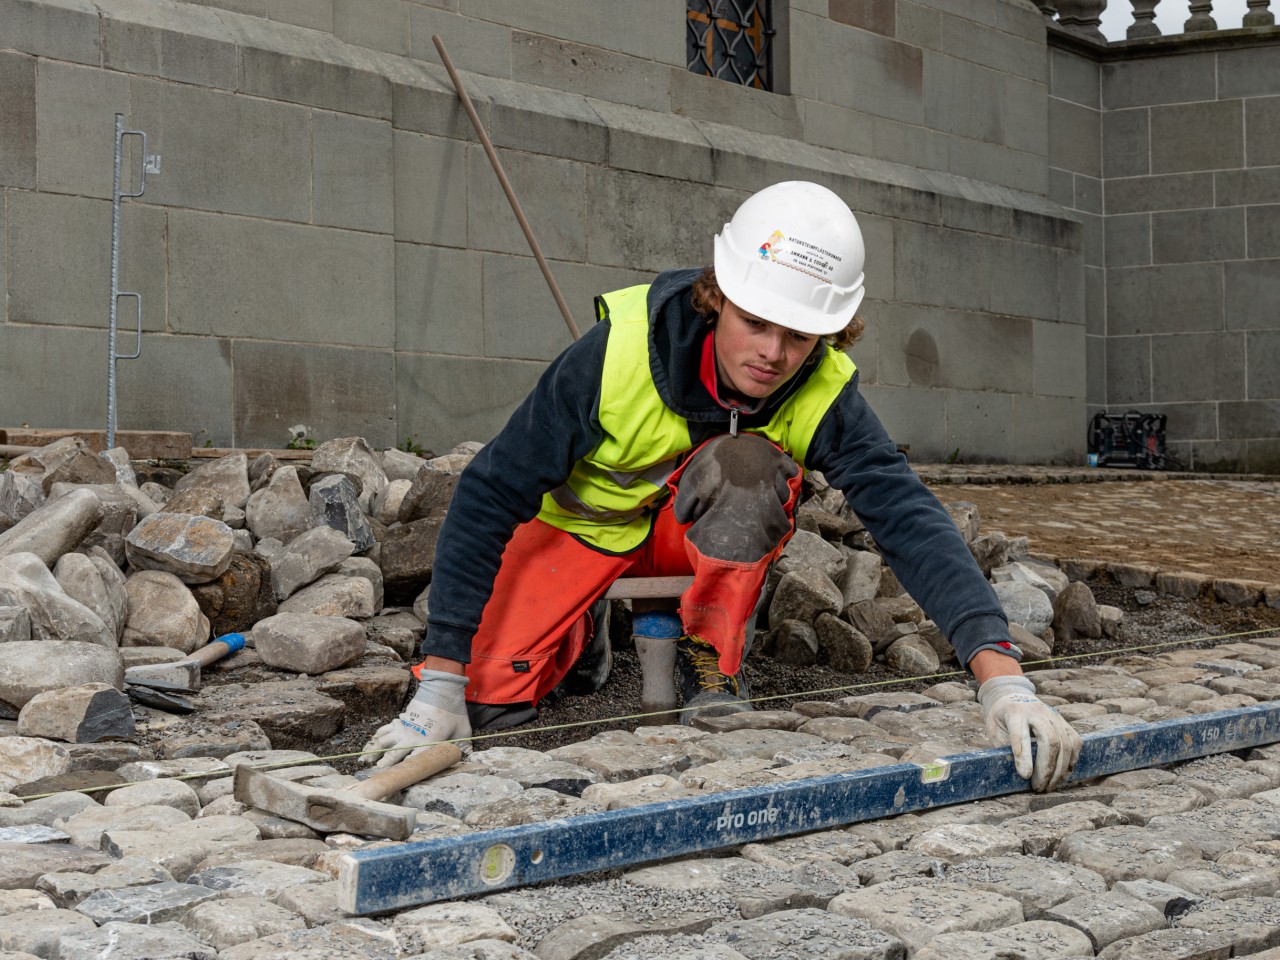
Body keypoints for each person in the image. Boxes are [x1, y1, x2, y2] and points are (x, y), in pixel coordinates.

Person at [365, 181, 1083, 792]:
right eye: (756, 323)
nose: (773, 354)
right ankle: (581, 630)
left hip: (691, 539)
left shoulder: (823, 389)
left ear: (829, 333)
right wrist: (442, 681)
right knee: (483, 702)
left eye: (799, 335)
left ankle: (710, 657)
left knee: (747, 468)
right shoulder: (615, 355)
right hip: (580, 534)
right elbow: (488, 495)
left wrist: (1002, 680)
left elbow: (906, 515)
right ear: (718, 297)